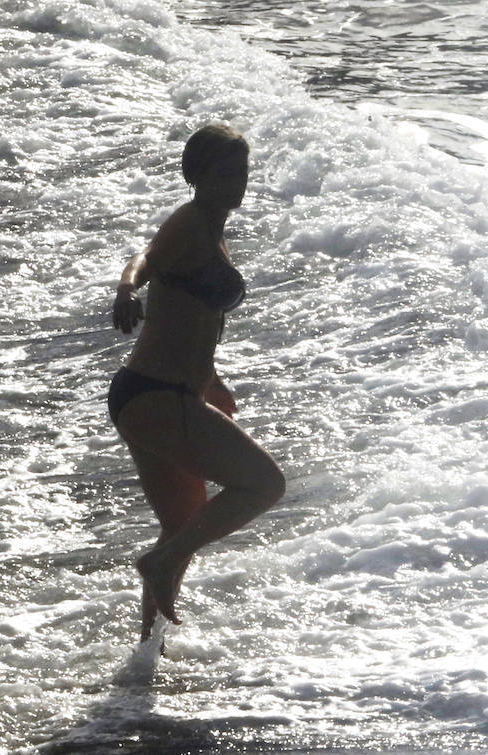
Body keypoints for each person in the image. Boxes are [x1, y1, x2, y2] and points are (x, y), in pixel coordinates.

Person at [107, 124, 285, 643]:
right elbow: (145, 259)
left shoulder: (212, 226)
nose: (236, 183)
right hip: (157, 396)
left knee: (182, 522)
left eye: (242, 173)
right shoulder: (189, 222)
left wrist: (211, 382)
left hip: (158, 394)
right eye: (224, 173)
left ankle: (147, 654)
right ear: (196, 175)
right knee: (263, 485)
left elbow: (193, 319)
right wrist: (125, 291)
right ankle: (160, 564)